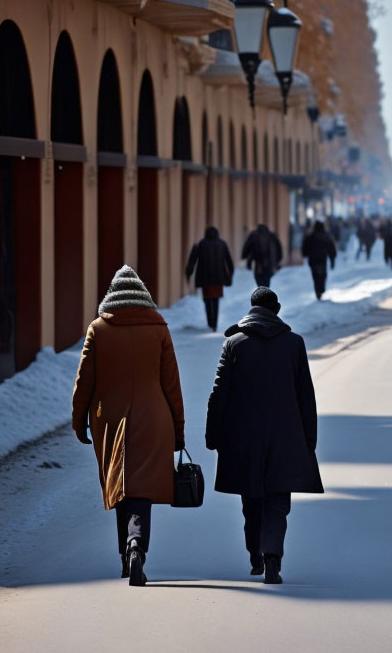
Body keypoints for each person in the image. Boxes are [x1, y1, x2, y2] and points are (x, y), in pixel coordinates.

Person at [72, 265, 184, 587]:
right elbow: (171, 384)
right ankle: (136, 547)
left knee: (121, 483)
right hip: (154, 419)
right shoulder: (159, 328)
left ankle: (126, 554)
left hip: (110, 420)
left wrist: (79, 421)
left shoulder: (98, 329)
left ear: (112, 296)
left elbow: (84, 381)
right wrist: (178, 428)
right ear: (142, 295)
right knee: (142, 489)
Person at [206, 287, 324, 585]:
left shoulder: (234, 344)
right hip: (285, 437)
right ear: (277, 310)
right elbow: (305, 397)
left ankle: (255, 556)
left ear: (251, 310)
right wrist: (308, 440)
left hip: (243, 438)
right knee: (277, 501)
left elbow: (219, 394)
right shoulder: (294, 344)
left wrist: (214, 434)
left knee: (252, 500)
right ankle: (272, 556)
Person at [185, 226, 234, 332]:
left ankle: (210, 322)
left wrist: (188, 273)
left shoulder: (201, 244)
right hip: (218, 278)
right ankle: (214, 324)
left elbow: (192, 260)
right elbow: (229, 261)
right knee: (216, 301)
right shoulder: (222, 244)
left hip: (205, 278)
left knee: (207, 300)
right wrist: (230, 275)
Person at [301, 220, 337, 300]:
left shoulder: (310, 236)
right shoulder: (326, 236)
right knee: (322, 275)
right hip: (322, 259)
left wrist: (305, 254)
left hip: (313, 260)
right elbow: (331, 248)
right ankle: (321, 289)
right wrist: (332, 259)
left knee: (315, 276)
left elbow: (305, 247)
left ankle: (318, 291)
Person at [241, 223, 283, 288]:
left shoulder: (254, 235)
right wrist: (278, 260)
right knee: (267, 283)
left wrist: (244, 256)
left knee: (260, 283)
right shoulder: (271, 235)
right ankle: (265, 294)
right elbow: (279, 249)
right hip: (269, 264)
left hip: (258, 265)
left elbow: (246, 248)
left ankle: (262, 294)